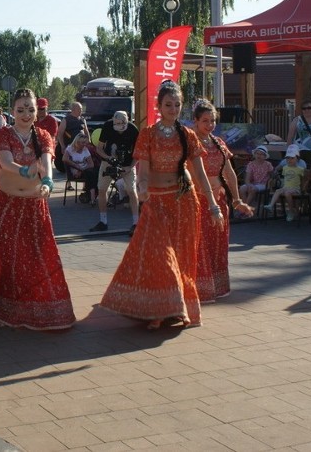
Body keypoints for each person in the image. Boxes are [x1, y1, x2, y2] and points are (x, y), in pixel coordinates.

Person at [100, 80, 223, 330]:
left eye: (177, 105)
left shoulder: (187, 135)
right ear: (158, 106)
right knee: (159, 256)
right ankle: (157, 309)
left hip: (183, 202)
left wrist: (213, 205)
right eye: (169, 104)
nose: (174, 109)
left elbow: (199, 174)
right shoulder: (148, 134)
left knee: (181, 258)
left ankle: (175, 310)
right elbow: (143, 172)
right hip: (156, 202)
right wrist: (141, 188)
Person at [0, 88, 75, 330]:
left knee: (36, 257)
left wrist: (47, 181)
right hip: (6, 204)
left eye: (31, 109)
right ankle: (8, 310)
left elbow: (46, 160)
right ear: (12, 111)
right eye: (21, 109)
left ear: (37, 111)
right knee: (10, 258)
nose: (26, 114)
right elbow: (4, 161)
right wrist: (25, 170)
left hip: (35, 204)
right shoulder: (3, 134)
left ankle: (36, 307)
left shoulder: (44, 135)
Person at [192, 99, 253, 302]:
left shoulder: (218, 143)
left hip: (218, 200)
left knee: (217, 245)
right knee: (199, 245)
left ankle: (216, 287)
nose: (209, 125)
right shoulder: (190, 142)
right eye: (205, 121)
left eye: (212, 121)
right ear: (196, 121)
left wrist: (236, 200)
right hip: (197, 200)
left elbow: (229, 173)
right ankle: (198, 289)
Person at [91, 110, 139, 233]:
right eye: (116, 125)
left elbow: (139, 152)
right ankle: (103, 221)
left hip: (127, 163)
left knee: (132, 191)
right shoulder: (107, 126)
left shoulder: (133, 130)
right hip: (109, 160)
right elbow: (99, 148)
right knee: (101, 189)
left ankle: (136, 222)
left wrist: (131, 166)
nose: (119, 129)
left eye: (121, 126)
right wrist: (108, 158)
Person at [264, 148, 305, 221]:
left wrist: (302, 189)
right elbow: (285, 178)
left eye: (292, 158)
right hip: (286, 187)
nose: (289, 160)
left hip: (295, 188)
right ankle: (271, 205)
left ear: (297, 159)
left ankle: (291, 211)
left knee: (287, 193)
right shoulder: (285, 168)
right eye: (287, 158)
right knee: (277, 191)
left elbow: (303, 180)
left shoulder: (300, 169)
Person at [287, 100, 311, 167]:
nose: (306, 110)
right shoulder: (297, 120)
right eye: (304, 108)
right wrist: (289, 153)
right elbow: (290, 137)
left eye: (309, 108)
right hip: (300, 151)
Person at [62, 132, 98, 204]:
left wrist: (82, 170)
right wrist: (76, 166)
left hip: (85, 170)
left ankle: (92, 196)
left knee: (95, 172)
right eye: (82, 142)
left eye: (85, 142)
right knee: (91, 174)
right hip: (75, 171)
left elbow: (91, 164)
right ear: (77, 142)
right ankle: (92, 196)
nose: (84, 144)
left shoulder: (85, 149)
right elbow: (64, 159)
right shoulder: (70, 149)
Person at [239, 145, 273, 214]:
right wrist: (248, 185)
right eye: (257, 153)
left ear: (265, 156)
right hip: (253, 183)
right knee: (242, 188)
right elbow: (247, 178)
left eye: (261, 154)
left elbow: (272, 175)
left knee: (253, 189)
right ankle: (246, 208)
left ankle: (245, 209)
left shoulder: (268, 164)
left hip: (263, 184)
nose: (259, 156)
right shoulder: (251, 164)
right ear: (254, 154)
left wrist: (271, 182)